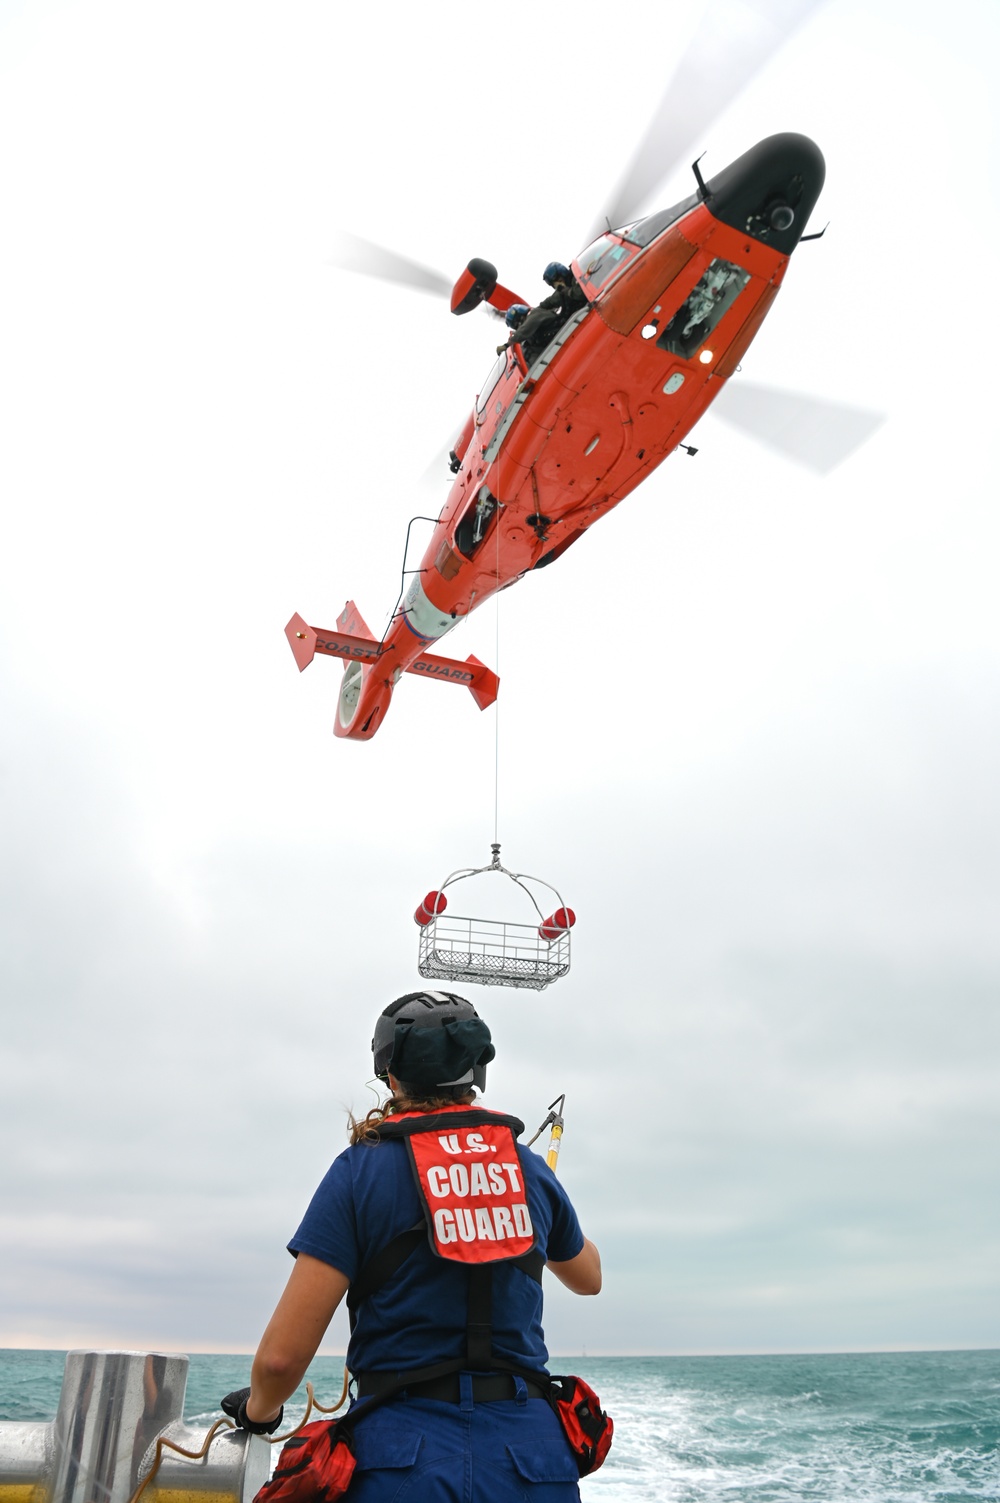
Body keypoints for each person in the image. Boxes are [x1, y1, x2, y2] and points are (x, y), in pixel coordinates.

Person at [222, 990, 603, 1502]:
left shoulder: (359, 1172)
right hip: (534, 1462)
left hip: (403, 1460)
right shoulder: (527, 1169)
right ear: (475, 1075)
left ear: (390, 1076)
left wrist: (259, 1412)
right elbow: (589, 1278)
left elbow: (279, 1363)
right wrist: (535, 1201)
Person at [496, 263, 588, 363]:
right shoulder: (532, 333)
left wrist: (507, 345)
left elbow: (581, 294)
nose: (556, 286)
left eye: (557, 281)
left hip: (582, 317)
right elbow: (548, 302)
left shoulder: (535, 317)